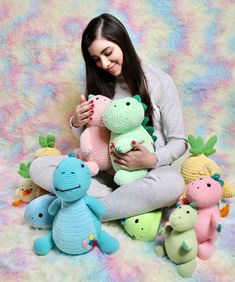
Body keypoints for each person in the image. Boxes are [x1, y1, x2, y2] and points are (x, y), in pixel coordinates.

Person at [29, 13, 187, 222]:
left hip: (145, 174)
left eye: (108, 52)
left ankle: (86, 209)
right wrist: (77, 122)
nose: (104, 64)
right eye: (96, 59)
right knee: (39, 167)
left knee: (173, 183)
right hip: (103, 174)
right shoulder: (101, 83)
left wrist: (153, 158)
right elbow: (92, 142)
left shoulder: (159, 81)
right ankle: (115, 205)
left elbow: (180, 141)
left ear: (122, 42)